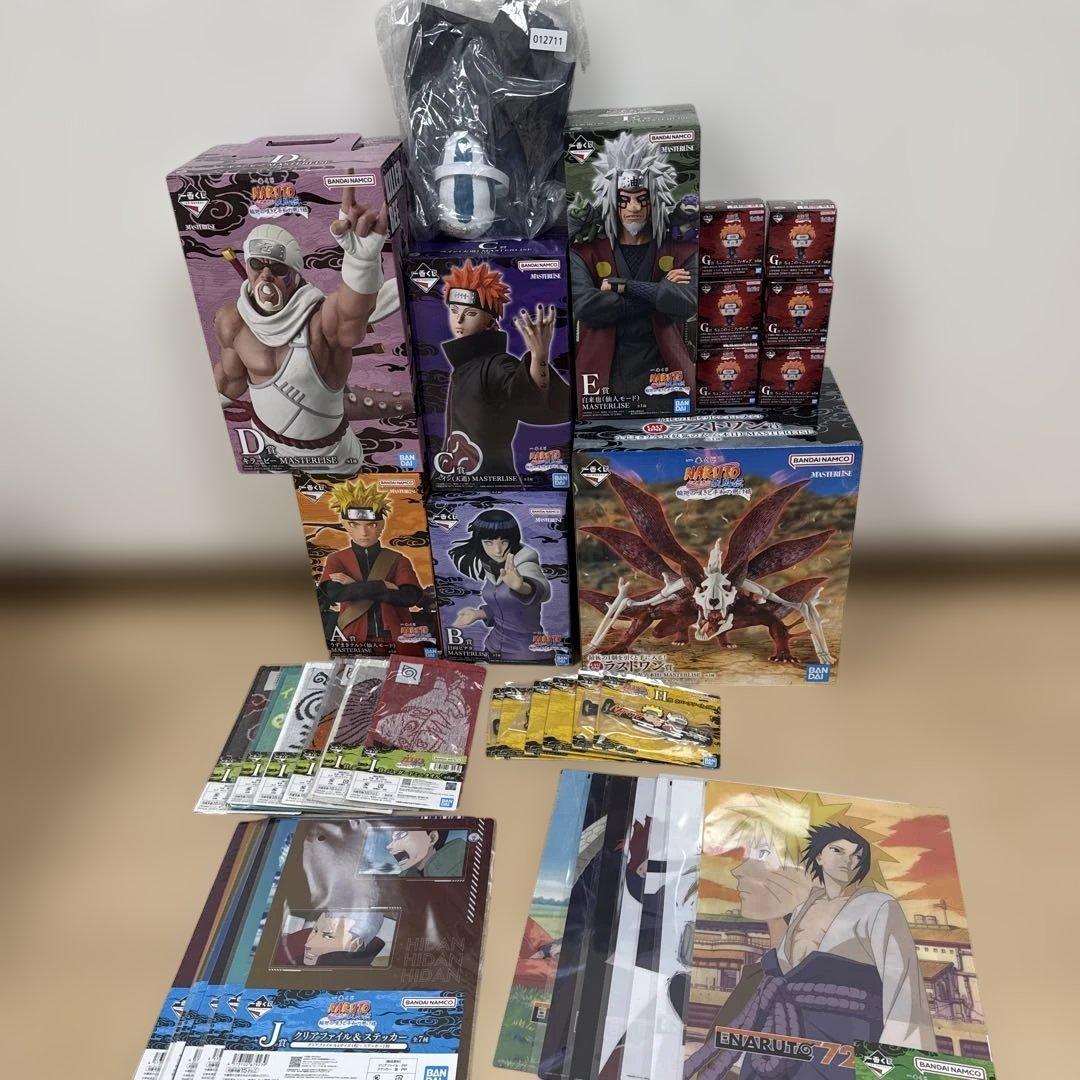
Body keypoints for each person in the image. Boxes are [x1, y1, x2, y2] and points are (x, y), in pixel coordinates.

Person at [686, 800, 935, 1079]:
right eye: (838, 850)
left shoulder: (878, 906)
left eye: (857, 856)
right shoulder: (803, 907)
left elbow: (903, 990)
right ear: (818, 857)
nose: (849, 860)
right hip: (782, 1040)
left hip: (843, 1042)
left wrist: (899, 1072)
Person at [212, 182, 394, 471]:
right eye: (257, 264)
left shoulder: (319, 320)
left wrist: (361, 263)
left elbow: (351, 313)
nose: (266, 276)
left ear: (296, 274)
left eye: (278, 268)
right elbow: (229, 384)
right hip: (265, 450)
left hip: (333, 458)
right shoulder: (232, 320)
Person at [570, 132, 697, 402]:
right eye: (624, 200)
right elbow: (585, 308)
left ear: (656, 199)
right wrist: (659, 292)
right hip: (602, 375)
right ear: (610, 200)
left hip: (666, 374)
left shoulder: (681, 249)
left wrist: (623, 286)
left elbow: (687, 304)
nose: (634, 207)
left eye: (642, 198)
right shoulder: (585, 251)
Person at [434, 260, 569, 479]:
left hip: (493, 481)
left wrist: (539, 357)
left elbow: (526, 398)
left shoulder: (497, 364)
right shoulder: (465, 365)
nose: (459, 319)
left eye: (470, 313)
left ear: (490, 321)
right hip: (461, 480)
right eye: (454, 310)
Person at [317, 477, 424, 651]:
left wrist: (354, 586)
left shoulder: (398, 559)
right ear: (346, 525)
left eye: (371, 524)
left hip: (396, 634)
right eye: (354, 524)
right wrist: (383, 586)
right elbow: (335, 593)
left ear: (381, 525)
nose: (363, 532)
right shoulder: (337, 559)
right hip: (352, 634)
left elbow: (410, 597)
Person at [449, 509, 553, 661]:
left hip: (527, 651)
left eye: (504, 542)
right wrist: (479, 614)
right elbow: (505, 606)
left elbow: (543, 591)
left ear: (513, 540)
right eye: (489, 542)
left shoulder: (525, 564)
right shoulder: (491, 567)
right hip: (493, 646)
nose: (498, 551)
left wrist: (522, 587)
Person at [386, 828, 467, 878]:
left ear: (432, 838)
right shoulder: (408, 876)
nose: (389, 846)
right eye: (393, 839)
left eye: (402, 835)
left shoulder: (460, 869)